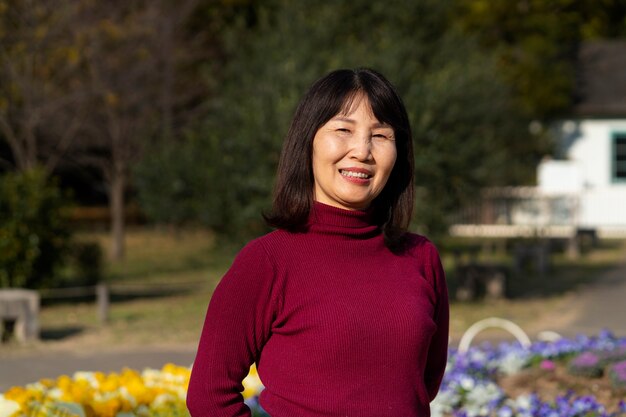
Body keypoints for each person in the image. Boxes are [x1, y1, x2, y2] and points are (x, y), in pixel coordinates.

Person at [186, 68, 449, 417]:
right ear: (308, 140)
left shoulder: (420, 256)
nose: (362, 151)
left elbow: (422, 386)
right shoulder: (266, 262)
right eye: (343, 130)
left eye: (380, 135)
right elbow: (209, 397)